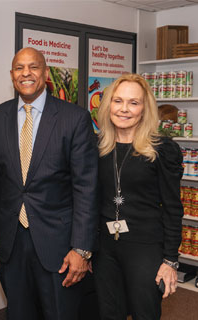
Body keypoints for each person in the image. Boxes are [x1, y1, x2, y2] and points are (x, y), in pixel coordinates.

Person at [0, 47, 99, 319]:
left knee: (59, 313)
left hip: (59, 244)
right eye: (19, 68)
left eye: (33, 67)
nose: (26, 73)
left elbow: (86, 188)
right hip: (10, 241)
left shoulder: (74, 118)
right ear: (12, 75)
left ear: (46, 73)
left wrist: (82, 248)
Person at [93, 73, 183, 319]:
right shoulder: (96, 147)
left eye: (133, 103)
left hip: (145, 248)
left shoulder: (162, 151)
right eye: (118, 101)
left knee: (145, 313)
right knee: (108, 313)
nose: (124, 109)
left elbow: (173, 208)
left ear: (144, 109)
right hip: (105, 249)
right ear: (108, 105)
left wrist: (170, 260)